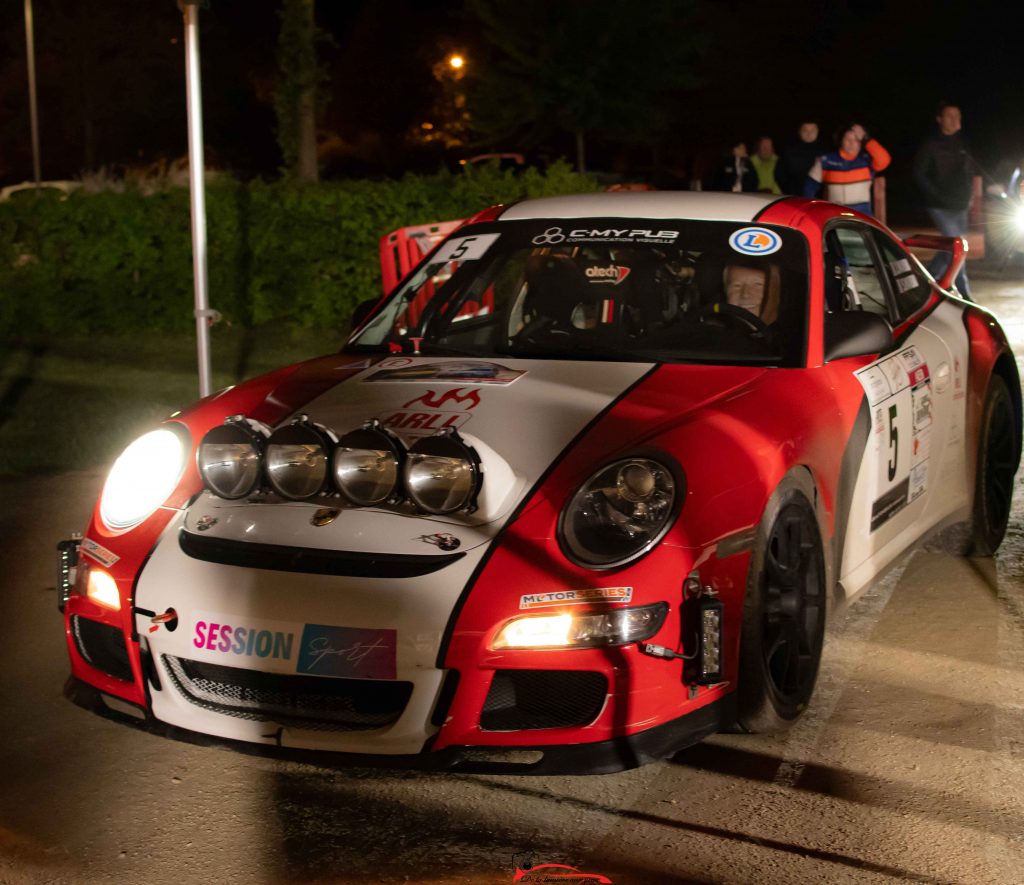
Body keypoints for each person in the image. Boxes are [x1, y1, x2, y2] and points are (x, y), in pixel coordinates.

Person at [912, 102, 977, 297]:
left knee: (950, 249)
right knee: (958, 247)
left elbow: (971, 170)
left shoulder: (963, 143)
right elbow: (918, 173)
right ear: (939, 119)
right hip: (939, 205)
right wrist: (936, 194)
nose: (955, 120)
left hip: (960, 204)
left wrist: (970, 195)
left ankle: (922, 284)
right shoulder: (931, 144)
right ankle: (965, 294)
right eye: (949, 116)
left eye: (958, 116)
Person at [804, 124, 891, 214]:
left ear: (862, 143)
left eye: (856, 140)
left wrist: (866, 139)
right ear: (841, 140)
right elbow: (809, 187)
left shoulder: (866, 160)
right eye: (847, 139)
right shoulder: (826, 161)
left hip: (862, 215)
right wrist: (812, 210)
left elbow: (884, 160)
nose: (851, 143)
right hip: (836, 215)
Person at [777, 122, 822, 195]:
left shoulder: (825, 152)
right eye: (805, 130)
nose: (809, 134)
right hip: (794, 197)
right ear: (799, 132)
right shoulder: (789, 151)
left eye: (813, 130)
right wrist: (789, 192)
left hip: (819, 198)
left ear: (818, 131)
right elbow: (780, 174)